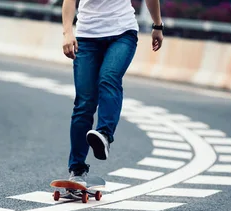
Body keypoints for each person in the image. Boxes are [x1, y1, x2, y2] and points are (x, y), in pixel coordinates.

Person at [61, 0, 164, 185]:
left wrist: (157, 25)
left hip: (122, 33)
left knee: (109, 78)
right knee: (84, 103)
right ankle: (77, 169)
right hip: (86, 36)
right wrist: (68, 32)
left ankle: (104, 135)